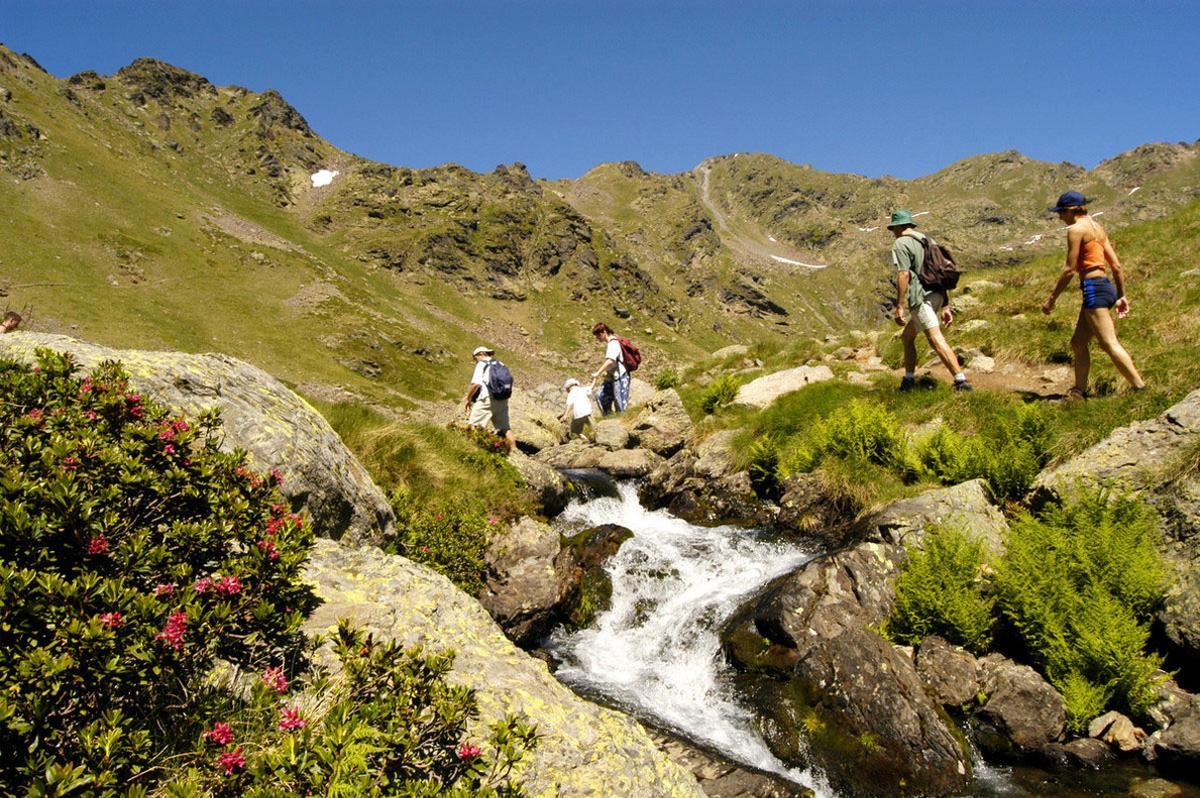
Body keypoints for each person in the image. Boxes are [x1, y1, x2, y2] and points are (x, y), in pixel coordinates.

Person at [1041, 191, 1146, 397]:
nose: (1059, 217)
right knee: (1078, 343)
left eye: (1061, 212)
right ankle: (1079, 391)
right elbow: (1116, 265)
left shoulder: (1076, 230)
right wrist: (1121, 295)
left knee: (1109, 343)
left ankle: (1140, 388)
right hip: (1106, 286)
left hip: (1093, 287)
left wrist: (1052, 299)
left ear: (1071, 210)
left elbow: (1070, 269)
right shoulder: (1097, 228)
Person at [888, 210, 972, 392]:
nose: (893, 232)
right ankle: (909, 380)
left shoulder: (901, 243)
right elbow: (939, 271)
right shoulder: (928, 240)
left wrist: (900, 306)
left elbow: (903, 275)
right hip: (937, 295)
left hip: (921, 297)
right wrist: (945, 305)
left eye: (893, 228)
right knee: (907, 337)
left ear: (899, 227)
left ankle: (961, 381)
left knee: (935, 337)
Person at [463, 345, 516, 452]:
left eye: (475, 358)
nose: (475, 361)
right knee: (505, 428)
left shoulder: (481, 364)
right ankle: (516, 454)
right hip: (502, 399)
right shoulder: (500, 364)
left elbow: (476, 384)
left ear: (481, 354)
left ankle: (472, 450)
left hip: (486, 399)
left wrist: (468, 399)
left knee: (473, 425)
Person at [589, 322, 631, 414]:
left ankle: (620, 420)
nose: (597, 338)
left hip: (620, 377)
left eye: (598, 335)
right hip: (613, 376)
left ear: (604, 332)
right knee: (601, 396)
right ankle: (609, 416)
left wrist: (598, 372)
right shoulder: (613, 342)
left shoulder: (613, 343)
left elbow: (610, 361)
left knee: (620, 403)